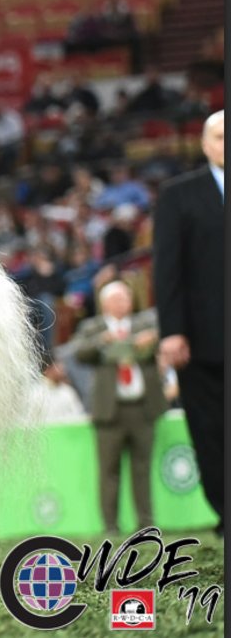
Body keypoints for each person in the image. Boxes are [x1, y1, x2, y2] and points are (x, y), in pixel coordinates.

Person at [153, 110, 224, 538]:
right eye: (220, 136)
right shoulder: (179, 195)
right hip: (201, 339)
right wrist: (172, 332)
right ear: (204, 144)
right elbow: (167, 270)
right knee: (210, 429)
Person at [72, 281, 165, 535]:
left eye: (125, 298)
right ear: (105, 304)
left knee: (142, 469)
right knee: (109, 470)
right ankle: (110, 526)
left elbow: (165, 339)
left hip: (143, 408)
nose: (123, 303)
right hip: (109, 411)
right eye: (117, 299)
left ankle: (146, 523)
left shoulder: (145, 323)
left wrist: (152, 340)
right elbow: (78, 352)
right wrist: (102, 340)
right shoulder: (93, 327)